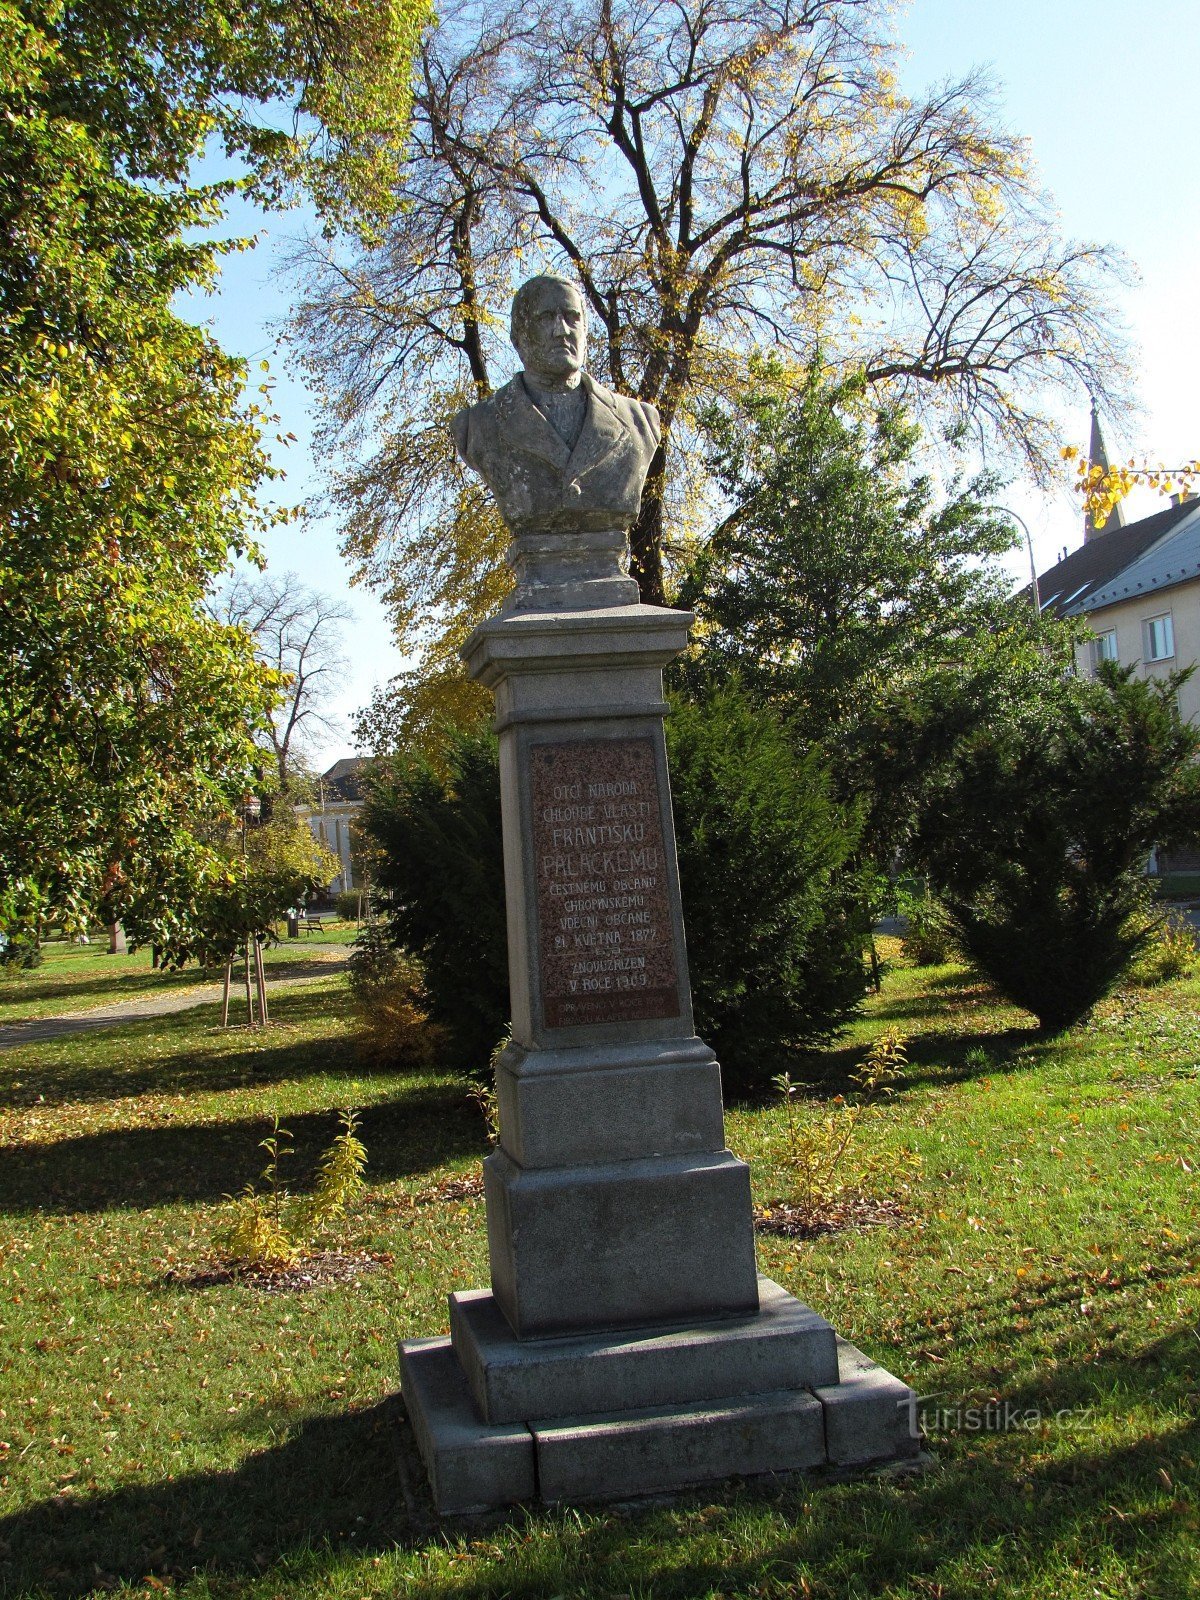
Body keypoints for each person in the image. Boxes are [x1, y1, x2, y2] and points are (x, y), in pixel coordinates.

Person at [451, 274, 660, 538]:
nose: (561, 330)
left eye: (572, 317)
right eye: (546, 317)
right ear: (518, 335)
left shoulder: (639, 421)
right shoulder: (477, 426)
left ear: (585, 330)